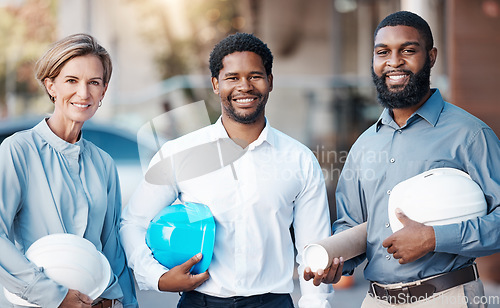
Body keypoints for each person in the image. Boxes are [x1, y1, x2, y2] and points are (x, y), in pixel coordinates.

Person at [120, 33, 334, 307]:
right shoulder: (179, 153)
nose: (244, 86)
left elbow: (312, 251)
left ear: (270, 81)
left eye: (255, 76)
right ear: (216, 84)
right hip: (200, 301)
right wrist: (158, 277)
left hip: (272, 302)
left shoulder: (299, 159)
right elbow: (132, 223)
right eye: (232, 78)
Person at [304, 11, 500, 307]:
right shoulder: (363, 146)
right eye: (383, 52)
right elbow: (352, 226)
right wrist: (335, 263)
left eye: (407, 50)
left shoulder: (470, 135)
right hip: (375, 300)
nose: (394, 61)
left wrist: (433, 238)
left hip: (447, 297)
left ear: (431, 57)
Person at [0, 34, 138, 308]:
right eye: (72, 81)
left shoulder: (103, 163)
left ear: (104, 90)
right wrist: (56, 296)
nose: (84, 93)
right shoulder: (18, 150)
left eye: (94, 83)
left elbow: (112, 248)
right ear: (51, 86)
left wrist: (120, 302)